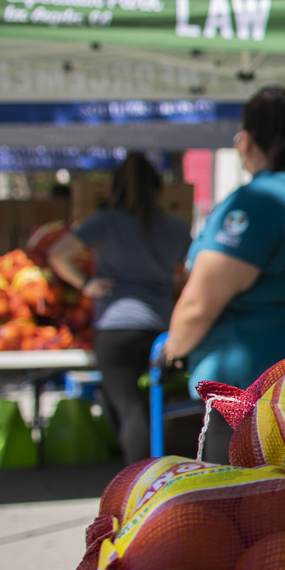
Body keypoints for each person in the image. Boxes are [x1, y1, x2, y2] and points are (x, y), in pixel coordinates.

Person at [166, 85, 285, 462]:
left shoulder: (256, 202)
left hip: (246, 394)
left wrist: (172, 348)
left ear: (249, 139)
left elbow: (200, 302)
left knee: (237, 509)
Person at [46, 153, 190, 461]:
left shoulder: (104, 222)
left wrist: (86, 283)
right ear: (157, 187)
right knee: (148, 406)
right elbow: (192, 272)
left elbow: (57, 253)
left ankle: (139, 482)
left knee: (127, 408)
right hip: (161, 328)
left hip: (116, 326)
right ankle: (152, 476)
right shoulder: (176, 227)